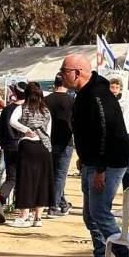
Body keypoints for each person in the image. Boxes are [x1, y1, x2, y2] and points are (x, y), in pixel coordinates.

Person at [60, 54, 129, 257]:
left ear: (78, 72)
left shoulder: (97, 94)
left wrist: (100, 167)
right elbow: (88, 131)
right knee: (91, 217)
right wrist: (85, 158)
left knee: (100, 213)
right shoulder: (85, 94)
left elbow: (105, 131)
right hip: (93, 162)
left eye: (64, 70)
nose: (61, 74)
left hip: (108, 164)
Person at [8, 82, 53, 227]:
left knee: (26, 180)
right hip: (44, 147)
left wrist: (25, 128)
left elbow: (12, 121)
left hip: (28, 145)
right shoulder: (46, 110)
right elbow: (49, 130)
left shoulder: (22, 107)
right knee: (42, 181)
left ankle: (24, 215)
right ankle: (38, 218)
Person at [0, 82, 26, 222]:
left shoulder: (7, 109)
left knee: (11, 177)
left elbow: (0, 131)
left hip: (9, 146)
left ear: (15, 93)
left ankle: (1, 200)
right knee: (24, 178)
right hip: (23, 146)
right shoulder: (27, 109)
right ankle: (22, 208)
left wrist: (4, 144)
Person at [44, 73, 75, 217]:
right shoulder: (71, 101)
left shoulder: (46, 100)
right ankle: (53, 206)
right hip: (66, 141)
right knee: (60, 175)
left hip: (48, 140)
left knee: (53, 174)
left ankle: (62, 203)